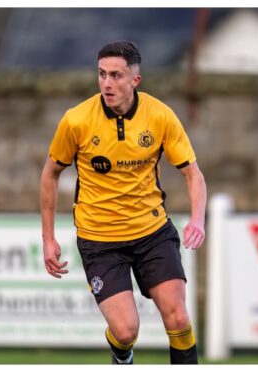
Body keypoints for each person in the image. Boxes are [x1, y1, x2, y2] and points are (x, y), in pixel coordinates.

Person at [40, 40, 207, 364]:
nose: (107, 83)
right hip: (100, 239)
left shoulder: (160, 116)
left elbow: (194, 174)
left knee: (179, 319)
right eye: (102, 74)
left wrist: (198, 219)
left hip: (152, 232)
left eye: (116, 75)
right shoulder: (76, 121)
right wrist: (48, 239)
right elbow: (49, 174)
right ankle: (121, 353)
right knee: (127, 330)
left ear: (135, 80)